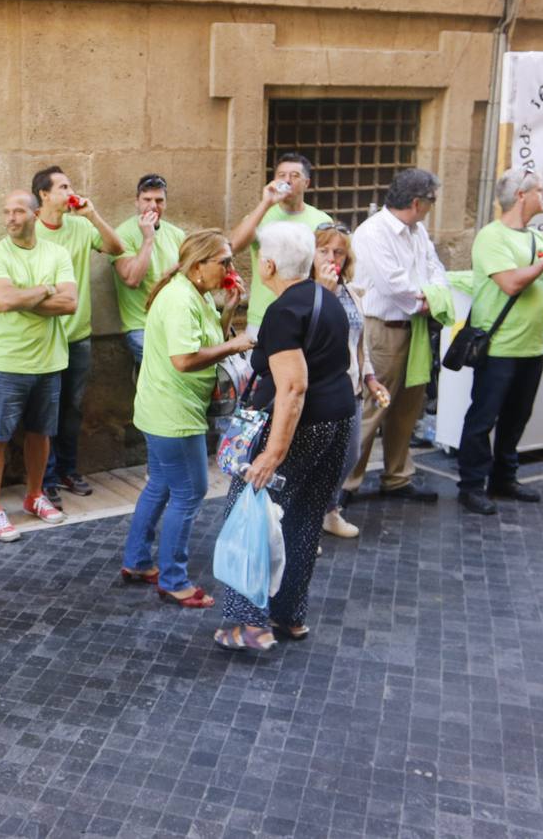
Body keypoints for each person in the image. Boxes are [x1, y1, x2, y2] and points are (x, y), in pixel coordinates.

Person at [215, 222, 355, 652]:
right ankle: (288, 615)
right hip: (338, 421)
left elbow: (293, 387)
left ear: (269, 263)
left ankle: (246, 625)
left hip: (301, 428)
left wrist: (272, 456)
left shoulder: (282, 312)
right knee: (304, 519)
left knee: (249, 513)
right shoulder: (325, 298)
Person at [121, 230, 252, 608]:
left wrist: (230, 306)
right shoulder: (181, 299)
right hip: (173, 414)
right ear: (198, 266)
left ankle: (138, 561)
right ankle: (174, 579)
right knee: (190, 492)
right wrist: (234, 344)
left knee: (161, 484)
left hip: (162, 408)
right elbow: (184, 359)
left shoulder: (194, 293)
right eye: (224, 261)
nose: (231, 267)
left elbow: (208, 337)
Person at [456, 169, 543, 515]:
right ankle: (472, 485)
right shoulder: (491, 238)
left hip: (532, 348)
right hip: (499, 349)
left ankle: (504, 478)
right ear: (521, 195)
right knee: (483, 419)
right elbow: (511, 284)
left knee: (518, 417)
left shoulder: (536, 237)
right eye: (540, 189)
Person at [342, 168, 446, 503]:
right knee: (374, 406)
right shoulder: (374, 232)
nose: (432, 207)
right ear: (417, 202)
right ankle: (344, 484)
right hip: (383, 330)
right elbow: (393, 285)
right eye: (431, 201)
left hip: (412, 329)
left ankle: (397, 476)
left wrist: (433, 294)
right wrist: (427, 299)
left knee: (407, 406)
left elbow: (436, 269)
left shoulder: (418, 231)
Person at [0, 190, 77, 542]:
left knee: (40, 433)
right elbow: (3, 299)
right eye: (6, 212)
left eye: (18, 211)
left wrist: (26, 297)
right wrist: (46, 289)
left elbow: (70, 304)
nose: (11, 218)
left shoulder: (57, 252)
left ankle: (35, 496)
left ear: (35, 213)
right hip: (8, 362)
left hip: (49, 361)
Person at [32, 165, 125, 507]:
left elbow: (116, 247)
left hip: (79, 336)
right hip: (44, 337)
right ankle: (47, 477)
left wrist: (94, 215)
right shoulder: (33, 231)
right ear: (44, 194)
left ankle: (68, 469)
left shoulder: (81, 226)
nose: (71, 190)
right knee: (47, 411)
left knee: (71, 409)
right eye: (64, 186)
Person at [312, 224, 389, 539]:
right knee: (316, 459)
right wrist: (324, 294)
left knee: (349, 455)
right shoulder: (307, 292)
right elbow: (311, 340)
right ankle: (305, 522)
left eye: (339, 252)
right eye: (324, 251)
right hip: (320, 391)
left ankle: (328, 510)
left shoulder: (350, 292)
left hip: (351, 389)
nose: (332, 258)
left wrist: (370, 378)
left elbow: (360, 343)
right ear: (311, 254)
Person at [229, 152, 331, 340]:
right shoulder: (260, 216)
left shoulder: (321, 220)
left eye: (295, 175)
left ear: (306, 183)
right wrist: (266, 203)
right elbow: (233, 246)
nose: (287, 180)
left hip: (305, 313)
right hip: (263, 315)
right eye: (282, 175)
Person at [112, 173, 186, 373]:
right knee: (165, 374)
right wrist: (148, 238)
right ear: (137, 202)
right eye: (147, 200)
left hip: (173, 321)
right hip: (141, 326)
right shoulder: (122, 234)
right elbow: (132, 279)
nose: (153, 206)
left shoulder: (178, 235)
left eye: (159, 200)